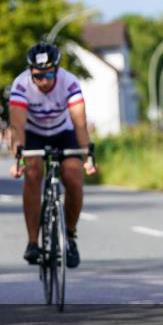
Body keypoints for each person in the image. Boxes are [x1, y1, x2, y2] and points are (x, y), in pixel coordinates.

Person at [8, 42, 97, 268]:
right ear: (31, 73)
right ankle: (32, 242)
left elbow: (79, 122)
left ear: (57, 70)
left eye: (48, 75)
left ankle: (70, 236)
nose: (44, 81)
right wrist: (17, 158)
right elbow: (17, 127)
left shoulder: (69, 82)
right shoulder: (21, 85)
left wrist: (87, 156)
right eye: (38, 76)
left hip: (63, 131)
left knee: (74, 176)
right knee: (33, 172)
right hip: (33, 132)